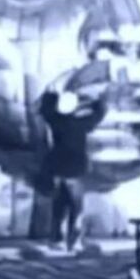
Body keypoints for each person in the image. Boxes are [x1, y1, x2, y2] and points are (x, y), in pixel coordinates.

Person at [39, 86, 109, 252]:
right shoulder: (80, 124)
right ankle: (74, 241)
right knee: (76, 208)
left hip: (58, 169)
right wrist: (97, 101)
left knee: (59, 206)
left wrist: (51, 93)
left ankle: (57, 239)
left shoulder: (56, 121)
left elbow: (45, 110)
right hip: (75, 171)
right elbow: (99, 114)